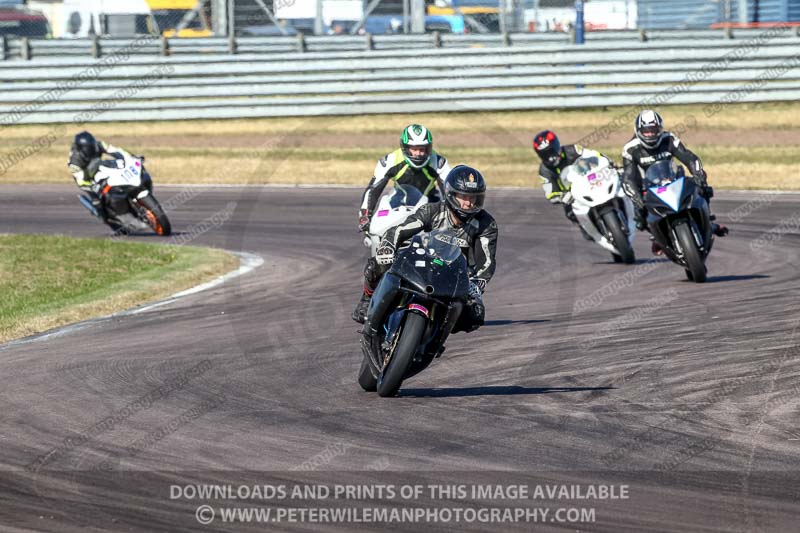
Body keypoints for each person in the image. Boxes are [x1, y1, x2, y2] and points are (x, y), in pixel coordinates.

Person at [353, 165, 498, 333]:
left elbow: (487, 260)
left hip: (456, 277)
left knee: (474, 316)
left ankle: (436, 338)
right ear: (451, 194)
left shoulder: (486, 224)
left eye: (474, 197)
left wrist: (477, 283)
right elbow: (399, 230)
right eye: (463, 196)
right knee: (377, 264)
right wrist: (388, 246)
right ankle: (366, 300)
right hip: (421, 263)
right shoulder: (432, 210)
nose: (468, 203)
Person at [621, 110, 728, 254]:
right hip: (649, 186)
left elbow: (690, 158)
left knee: (701, 187)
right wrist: (637, 198)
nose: (650, 134)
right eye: (646, 131)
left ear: (660, 129)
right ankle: (657, 237)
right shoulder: (630, 149)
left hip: (673, 179)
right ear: (638, 131)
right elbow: (628, 178)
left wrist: (698, 175)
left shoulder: (669, 139)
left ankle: (708, 221)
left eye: (654, 130)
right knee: (640, 213)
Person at [357, 124, 451, 234]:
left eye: (422, 149)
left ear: (429, 148)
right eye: (414, 149)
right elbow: (373, 189)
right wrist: (365, 215)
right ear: (405, 148)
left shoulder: (438, 162)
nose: (418, 154)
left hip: (429, 203)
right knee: (372, 232)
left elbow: (449, 191)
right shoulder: (390, 161)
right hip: (399, 203)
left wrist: (451, 216)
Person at [532, 130, 616, 241]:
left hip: (590, 181)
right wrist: (561, 197)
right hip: (571, 196)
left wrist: (607, 161)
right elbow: (550, 191)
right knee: (570, 213)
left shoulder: (572, 150)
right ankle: (586, 227)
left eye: (551, 151)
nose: (550, 156)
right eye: (545, 154)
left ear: (556, 145)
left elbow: (593, 154)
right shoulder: (544, 170)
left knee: (614, 190)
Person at [67, 131, 137, 220]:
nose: (90, 149)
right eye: (87, 147)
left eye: (91, 145)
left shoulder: (98, 145)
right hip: (85, 177)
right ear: (80, 148)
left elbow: (115, 150)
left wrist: (131, 157)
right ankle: (106, 217)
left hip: (99, 166)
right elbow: (81, 180)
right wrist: (92, 187)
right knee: (98, 201)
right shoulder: (75, 162)